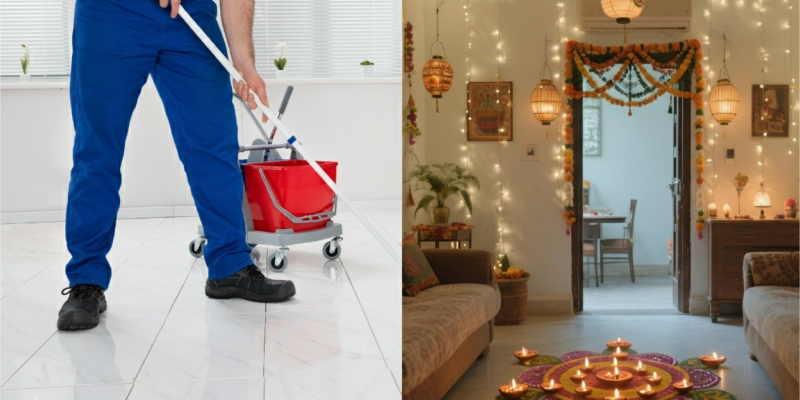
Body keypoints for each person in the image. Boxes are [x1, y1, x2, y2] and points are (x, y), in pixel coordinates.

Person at [57, 0, 295, 331]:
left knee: (215, 143)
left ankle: (230, 265)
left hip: (191, 16)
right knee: (98, 149)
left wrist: (243, 61)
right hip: (111, 13)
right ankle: (86, 280)